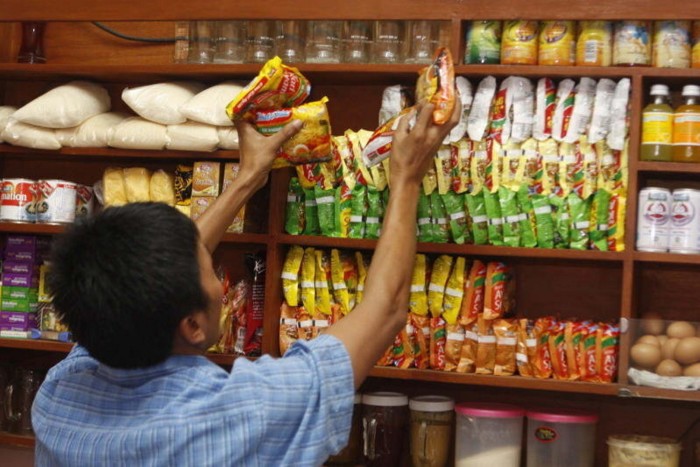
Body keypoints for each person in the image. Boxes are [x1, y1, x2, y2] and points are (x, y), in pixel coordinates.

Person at [32, 101, 459, 466]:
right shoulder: (242, 409)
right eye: (211, 274)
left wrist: (249, 176)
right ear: (193, 326)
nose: (220, 285)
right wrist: (406, 177)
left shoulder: (61, 390)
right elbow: (384, 309)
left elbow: (156, 266)